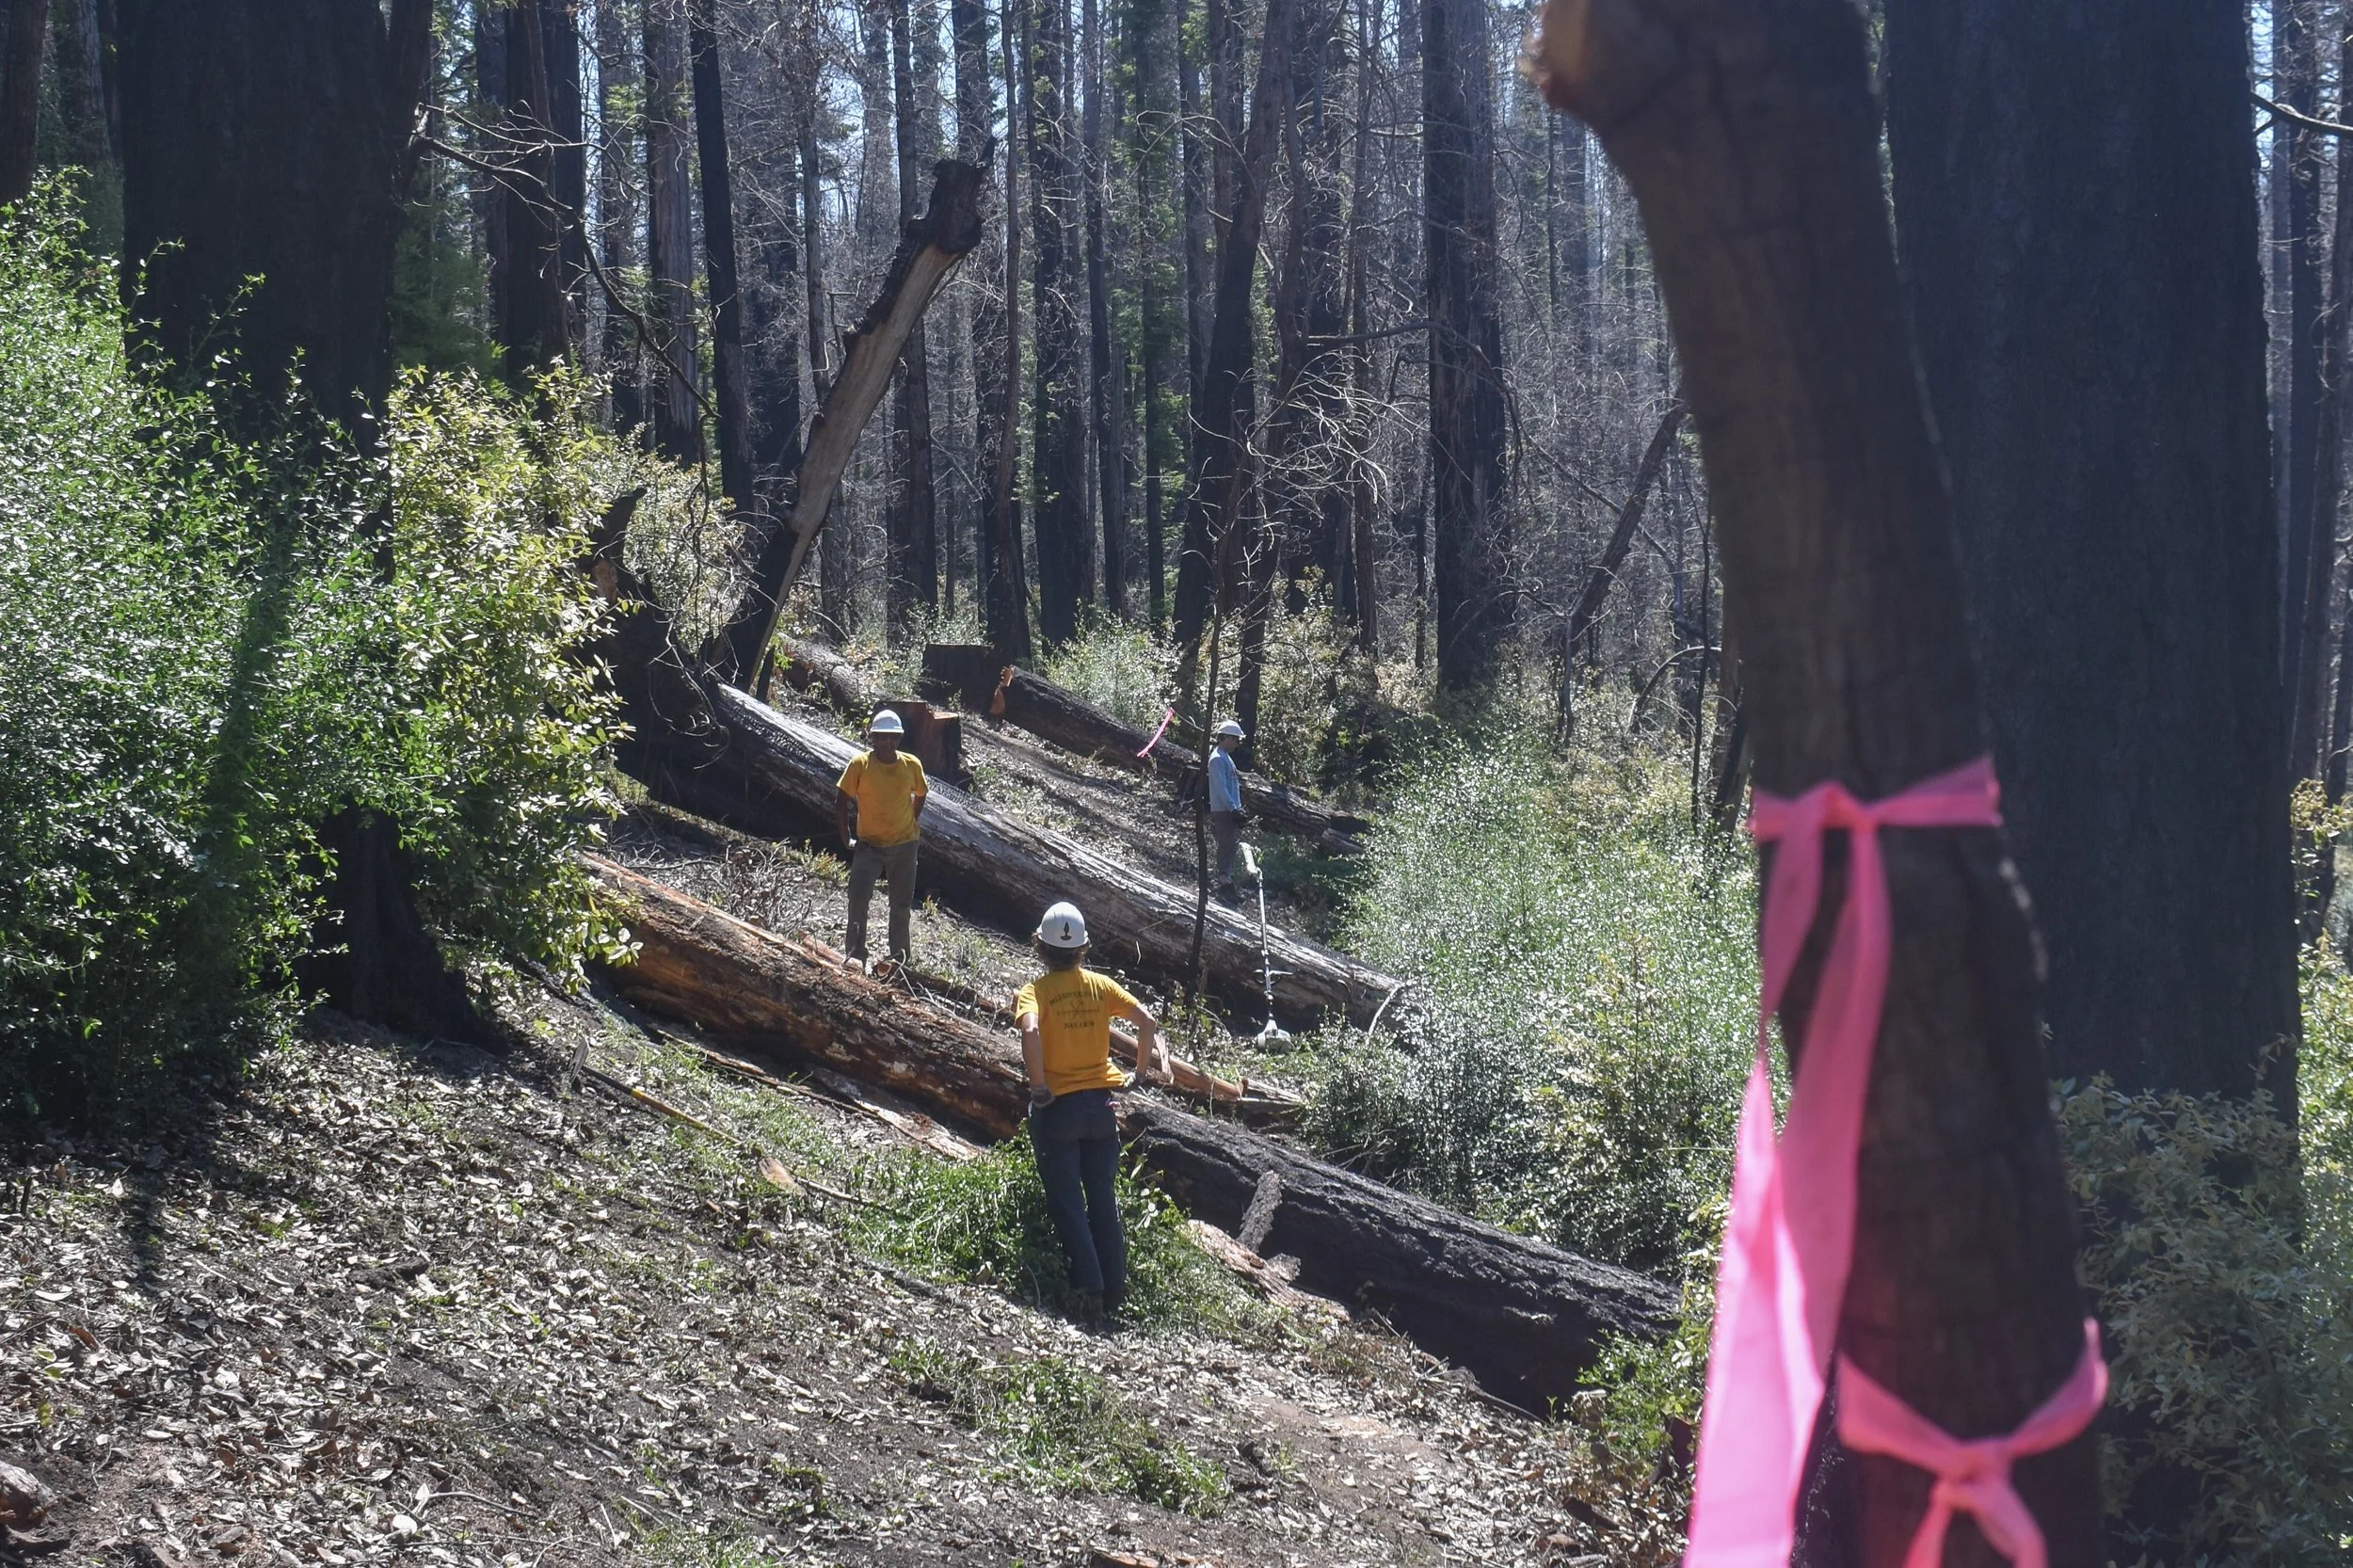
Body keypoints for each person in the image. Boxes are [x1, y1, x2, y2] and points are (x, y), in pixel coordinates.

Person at [1016, 900, 1170, 1320]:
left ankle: (1089, 1290)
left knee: (1068, 1202)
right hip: (1102, 1109)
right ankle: (1116, 1291)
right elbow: (1148, 1024)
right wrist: (1138, 1073)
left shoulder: (1035, 992)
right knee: (1103, 1201)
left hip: (1059, 1110)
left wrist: (1039, 1086)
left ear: (1040, 947)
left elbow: (1030, 1030)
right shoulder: (1101, 987)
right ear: (1082, 948)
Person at [835, 709, 928, 967]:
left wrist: (911, 820)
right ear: (873, 738)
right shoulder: (860, 765)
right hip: (869, 846)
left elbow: (921, 794)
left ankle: (898, 960)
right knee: (858, 900)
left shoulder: (911, 765)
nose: (888, 743)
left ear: (900, 739)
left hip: (904, 845)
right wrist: (846, 838)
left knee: (901, 906)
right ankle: (855, 956)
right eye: (883, 737)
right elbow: (841, 800)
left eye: (894, 738)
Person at [1207, 719, 1246, 903]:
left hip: (1230, 809)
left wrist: (1237, 808)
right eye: (1235, 740)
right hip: (1223, 810)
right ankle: (1223, 881)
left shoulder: (1226, 758)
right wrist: (1232, 808)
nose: (1237, 744)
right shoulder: (1216, 759)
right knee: (1226, 843)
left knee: (1231, 844)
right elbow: (1220, 787)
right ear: (1227, 738)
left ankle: (1227, 879)